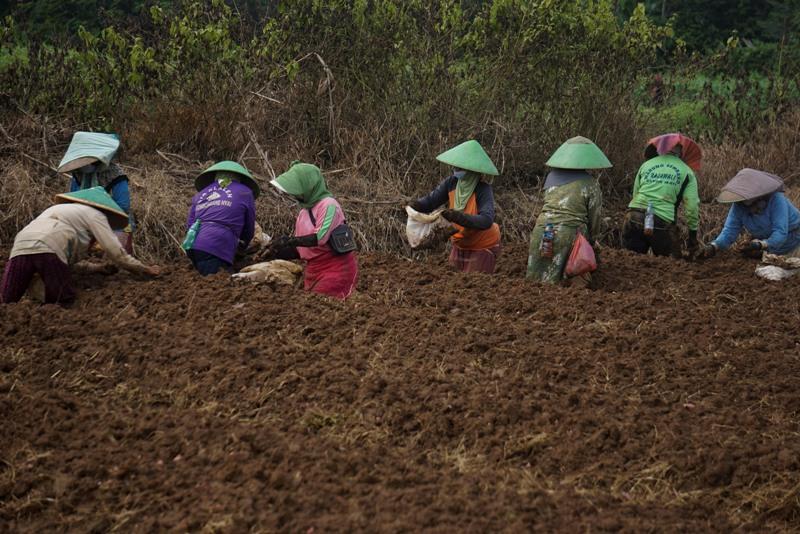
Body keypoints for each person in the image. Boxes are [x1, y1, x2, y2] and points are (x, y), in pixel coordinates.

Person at [1, 187, 161, 305]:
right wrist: (143, 269)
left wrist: (96, 268)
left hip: (20, 246)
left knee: (7, 301)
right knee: (64, 300)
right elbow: (116, 252)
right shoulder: (96, 215)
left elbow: (66, 261)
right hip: (50, 250)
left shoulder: (58, 210)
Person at [260, 162, 358, 299]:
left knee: (323, 307)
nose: (296, 195)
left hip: (335, 269)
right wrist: (276, 250)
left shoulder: (329, 205)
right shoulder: (303, 213)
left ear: (309, 187)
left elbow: (319, 238)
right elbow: (301, 249)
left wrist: (289, 241)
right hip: (313, 270)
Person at [409, 140, 501, 273]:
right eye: (456, 167)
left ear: (471, 170)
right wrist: (414, 205)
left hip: (482, 245)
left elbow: (486, 220)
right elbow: (430, 202)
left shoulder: (483, 189)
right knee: (453, 284)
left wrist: (458, 216)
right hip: (460, 243)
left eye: (461, 168)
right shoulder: (452, 183)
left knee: (474, 287)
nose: (456, 171)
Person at [527, 136, 609, 285]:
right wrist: (592, 240)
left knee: (536, 282)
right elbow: (595, 217)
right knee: (570, 287)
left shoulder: (551, 177)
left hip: (541, 230)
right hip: (570, 234)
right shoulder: (590, 184)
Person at [622, 133, 701, 258]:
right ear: (681, 154)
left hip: (633, 217)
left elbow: (635, 194)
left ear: (661, 150)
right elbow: (691, 207)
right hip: (661, 221)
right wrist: (692, 236)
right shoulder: (687, 171)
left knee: (630, 263)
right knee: (672, 266)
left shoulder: (646, 165)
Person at [59, 131, 135, 253]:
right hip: (83, 222)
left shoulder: (116, 175)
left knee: (115, 254)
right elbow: (72, 198)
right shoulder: (78, 173)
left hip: (115, 222)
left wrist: (98, 220)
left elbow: (123, 207)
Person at [700, 168, 800, 259]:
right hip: (769, 247)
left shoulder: (776, 200)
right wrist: (714, 246)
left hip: (793, 242)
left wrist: (760, 245)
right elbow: (729, 231)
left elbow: (780, 232)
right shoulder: (739, 206)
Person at [184, 161, 258, 276]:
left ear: (216, 176)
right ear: (239, 177)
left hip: (192, 244)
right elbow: (249, 229)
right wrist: (242, 246)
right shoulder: (245, 192)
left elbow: (190, 224)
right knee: (218, 284)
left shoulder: (201, 194)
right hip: (217, 245)